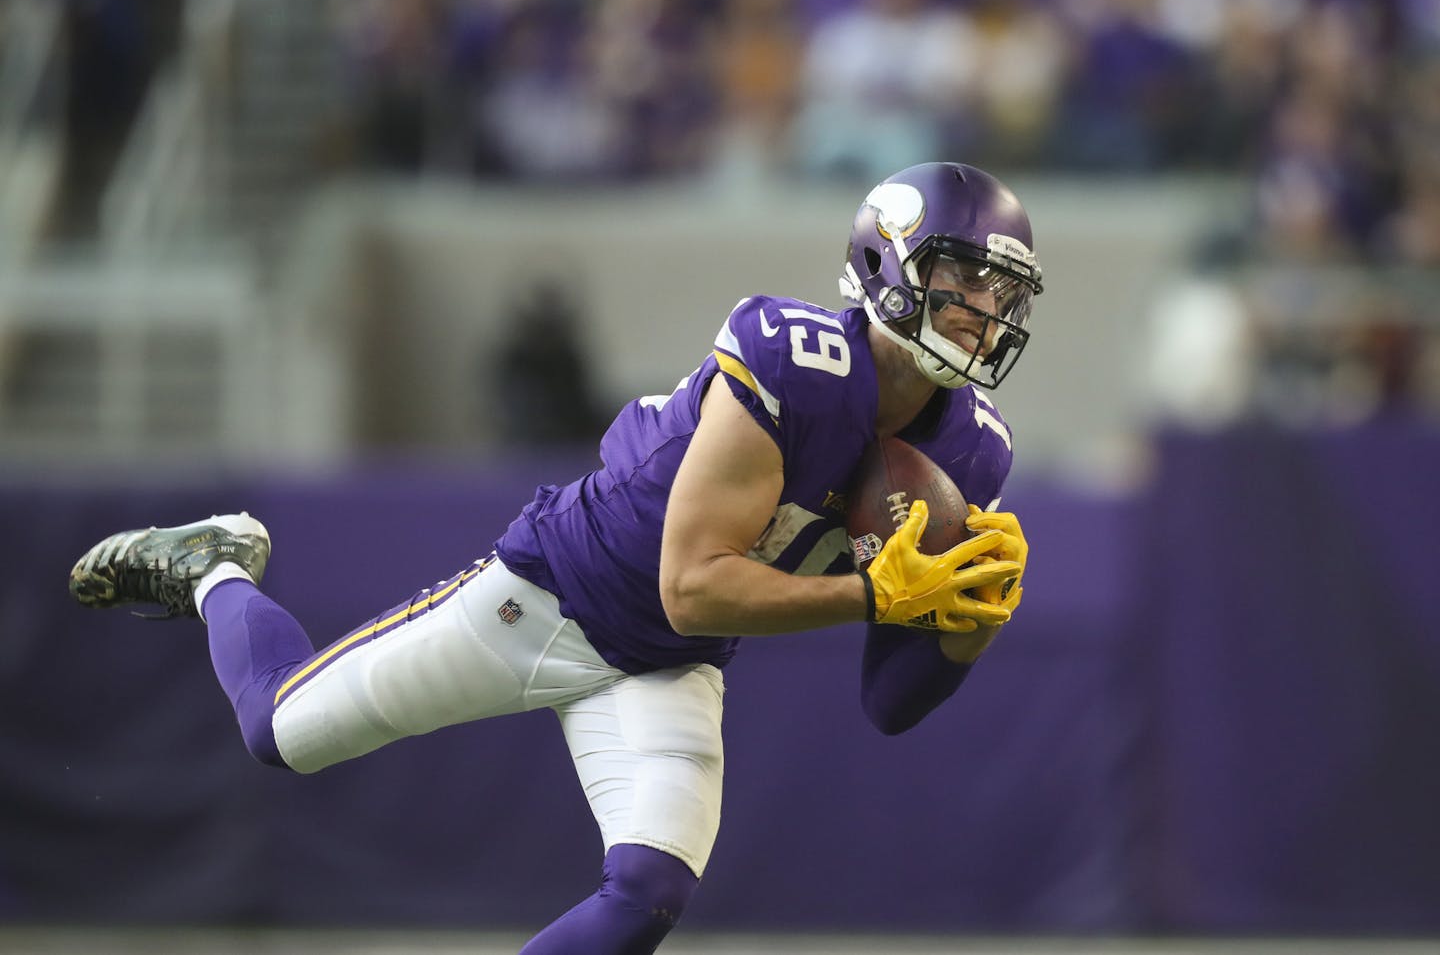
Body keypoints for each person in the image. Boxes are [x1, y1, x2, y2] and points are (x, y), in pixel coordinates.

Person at [67, 161, 1042, 954]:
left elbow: (891, 702)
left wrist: (967, 624)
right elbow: (694, 585)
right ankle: (215, 564)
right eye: (963, 278)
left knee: (647, 892)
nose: (981, 310)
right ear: (889, 260)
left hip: (664, 665)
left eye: (1003, 290)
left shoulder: (975, 450)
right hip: (551, 595)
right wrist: (874, 593)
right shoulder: (792, 358)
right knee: (277, 730)